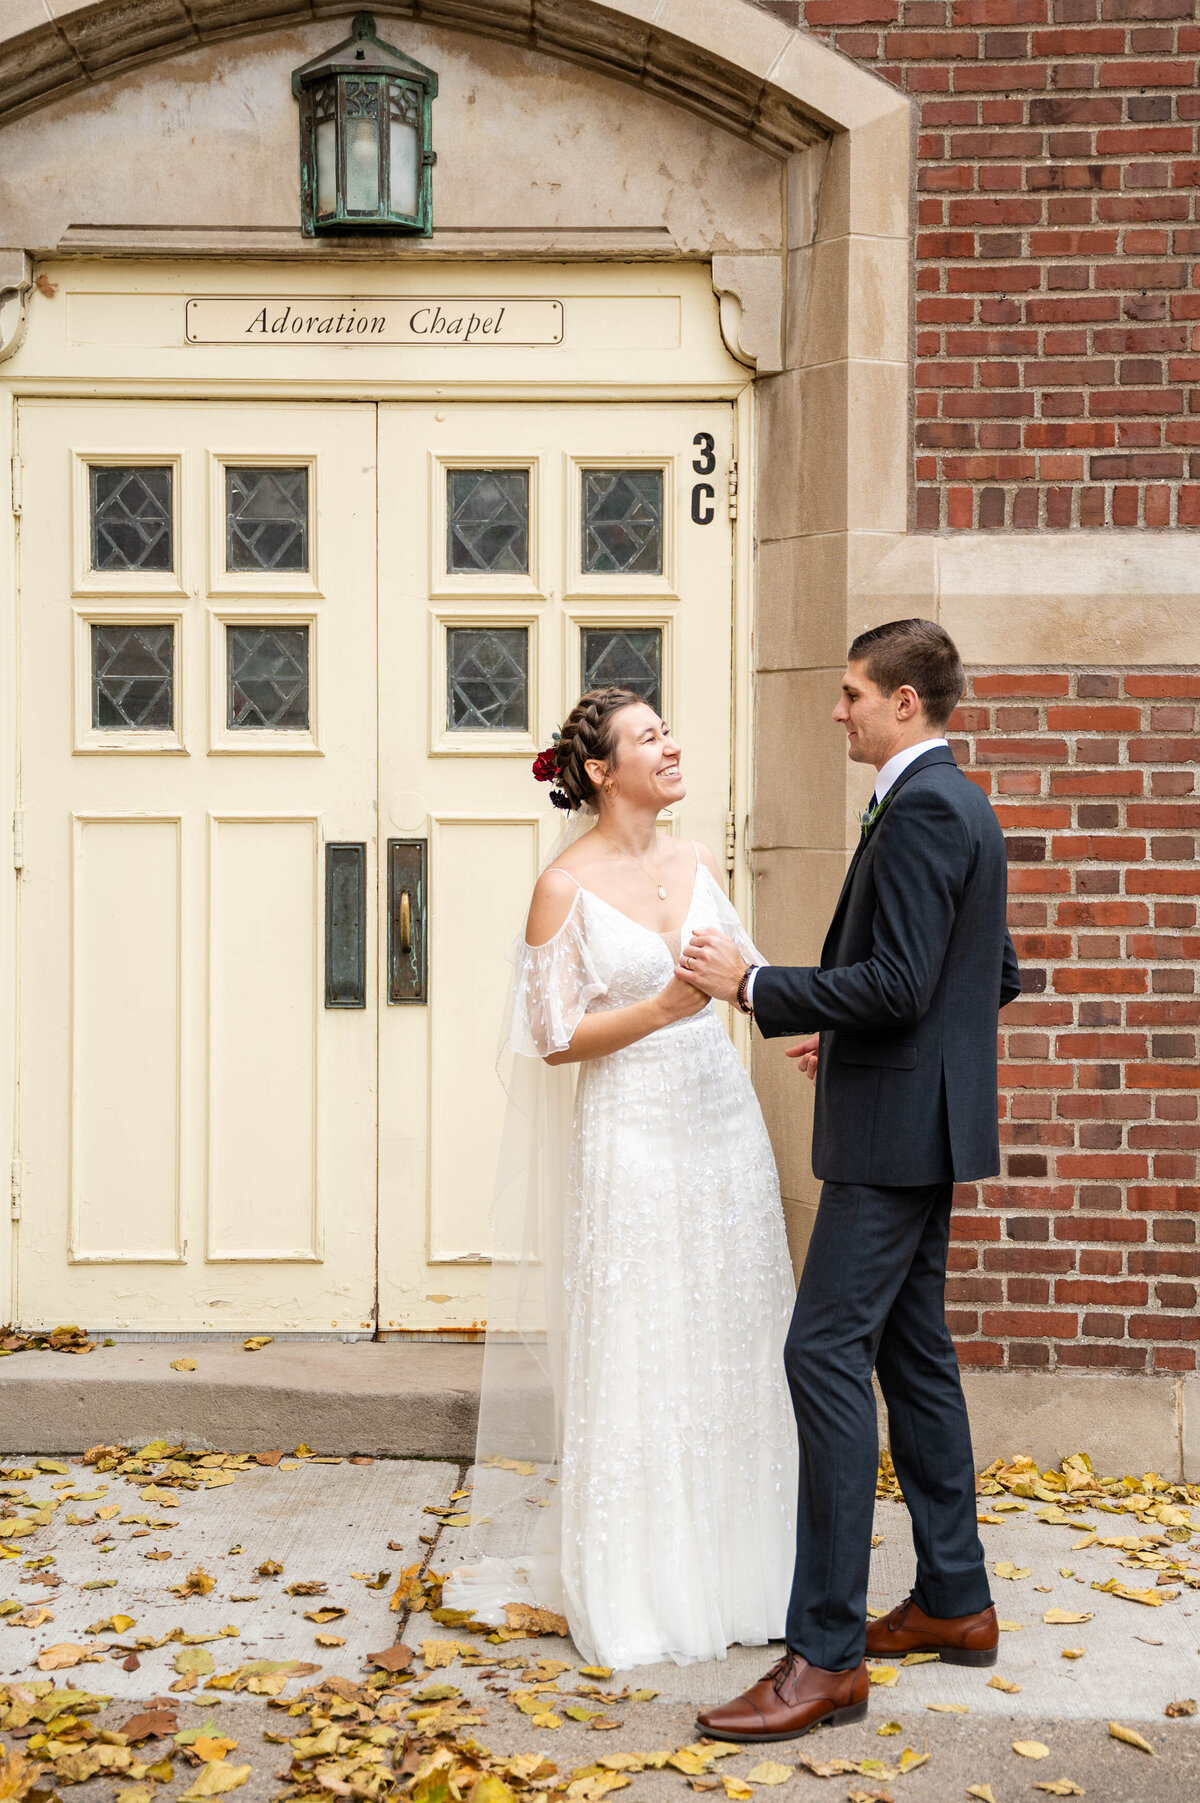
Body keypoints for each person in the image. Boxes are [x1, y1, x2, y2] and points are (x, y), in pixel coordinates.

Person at [678, 619, 1021, 1741]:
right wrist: (864, 1034)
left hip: (889, 1140)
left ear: (906, 704)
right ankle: (956, 1599)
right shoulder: (960, 803)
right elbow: (988, 976)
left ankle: (823, 1654)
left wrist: (761, 983)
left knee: (819, 1352)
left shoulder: (924, 807)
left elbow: (906, 978)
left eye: (851, 695)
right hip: (924, 1120)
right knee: (912, 1351)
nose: (839, 712)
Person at [441, 687, 797, 1670]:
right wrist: (664, 1009)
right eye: (650, 738)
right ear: (602, 771)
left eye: (668, 731)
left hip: (722, 1124)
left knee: (733, 1332)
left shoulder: (697, 861)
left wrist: (800, 1028)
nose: (672, 746)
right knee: (645, 1340)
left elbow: (746, 970)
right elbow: (550, 1040)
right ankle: (647, 1592)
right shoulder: (564, 884)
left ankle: (747, 1575)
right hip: (632, 1129)